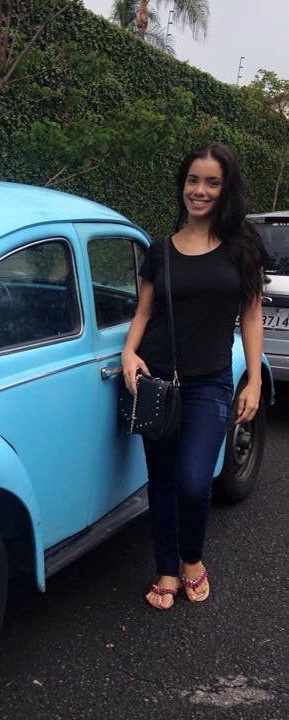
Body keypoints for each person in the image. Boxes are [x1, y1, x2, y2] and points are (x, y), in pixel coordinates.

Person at [121, 142, 264, 610]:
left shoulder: (242, 249)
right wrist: (128, 353)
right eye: (193, 180)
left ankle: (192, 559)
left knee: (194, 480)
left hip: (210, 383)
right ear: (182, 184)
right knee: (161, 481)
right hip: (156, 381)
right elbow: (144, 313)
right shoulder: (159, 250)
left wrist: (255, 381)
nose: (199, 191)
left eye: (212, 182)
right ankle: (166, 568)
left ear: (226, 189)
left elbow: (251, 317)